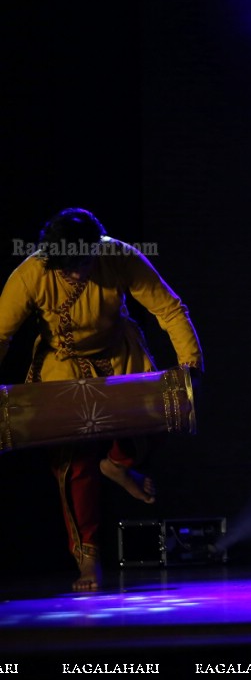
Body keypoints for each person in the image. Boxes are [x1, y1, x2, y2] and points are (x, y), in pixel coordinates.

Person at [0, 208, 203, 590]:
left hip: (118, 358)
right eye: (68, 267)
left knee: (163, 411)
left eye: (84, 262)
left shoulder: (120, 256)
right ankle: (88, 558)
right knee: (73, 464)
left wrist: (191, 366)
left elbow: (169, 309)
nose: (77, 273)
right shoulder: (32, 272)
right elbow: (1, 335)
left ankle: (117, 464)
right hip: (62, 367)